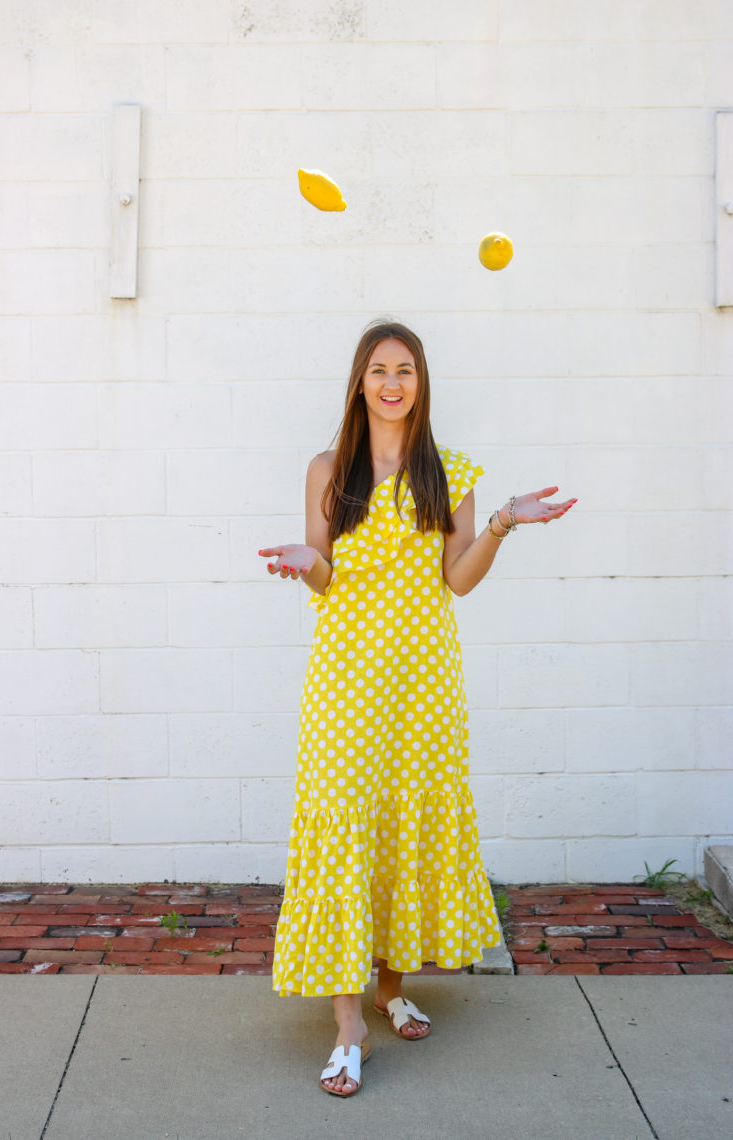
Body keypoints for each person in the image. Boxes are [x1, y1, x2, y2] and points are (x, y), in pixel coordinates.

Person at [258, 320, 576, 1097]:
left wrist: (501, 522)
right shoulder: (329, 469)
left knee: (403, 833)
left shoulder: (449, 473)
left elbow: (458, 581)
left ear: (421, 382)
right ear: (359, 383)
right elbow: (326, 572)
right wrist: (309, 563)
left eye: (405, 369)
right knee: (342, 833)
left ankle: (391, 985)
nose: (392, 382)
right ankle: (349, 1025)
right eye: (378, 370)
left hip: (424, 688)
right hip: (345, 690)